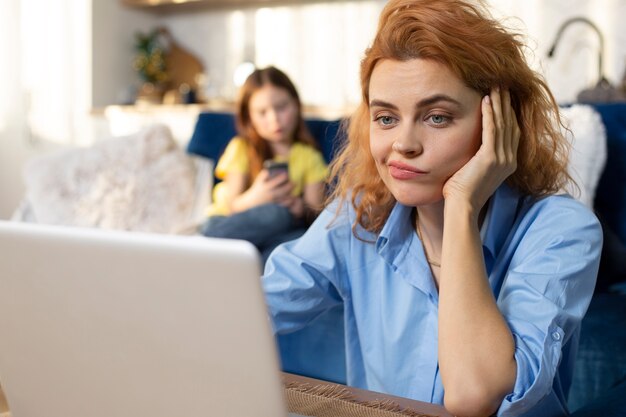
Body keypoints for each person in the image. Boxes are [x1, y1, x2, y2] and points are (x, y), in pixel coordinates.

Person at [262, 1, 602, 417]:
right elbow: (252, 308)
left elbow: (473, 397)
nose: (404, 143)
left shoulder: (562, 229)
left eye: (437, 117)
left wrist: (461, 205)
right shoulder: (360, 216)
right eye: (386, 118)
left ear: (500, 124)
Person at [201, 66, 328, 262]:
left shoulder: (309, 157)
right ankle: (214, 249)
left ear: (296, 104)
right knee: (277, 214)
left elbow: (316, 214)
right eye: (262, 112)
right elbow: (231, 206)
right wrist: (257, 196)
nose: (274, 119)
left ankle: (254, 270)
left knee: (299, 238)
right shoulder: (242, 148)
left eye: (281, 107)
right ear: (249, 116)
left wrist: (300, 207)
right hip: (225, 225)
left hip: (275, 236)